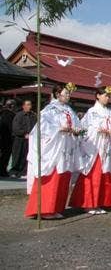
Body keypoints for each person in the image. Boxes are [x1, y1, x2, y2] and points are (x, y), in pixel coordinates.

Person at [24, 83, 82, 219]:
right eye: (65, 93)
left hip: (66, 146)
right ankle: (45, 209)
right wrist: (59, 129)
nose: (68, 96)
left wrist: (76, 130)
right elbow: (43, 128)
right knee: (52, 177)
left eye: (68, 94)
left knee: (63, 178)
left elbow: (77, 125)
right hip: (54, 147)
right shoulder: (49, 110)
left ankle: (56, 207)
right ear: (57, 94)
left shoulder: (69, 110)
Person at [70, 86, 111, 214]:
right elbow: (85, 129)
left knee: (106, 174)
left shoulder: (110, 112)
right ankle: (89, 203)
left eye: (108, 96)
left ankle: (100, 202)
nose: (107, 98)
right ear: (98, 95)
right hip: (95, 146)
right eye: (105, 95)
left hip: (107, 145)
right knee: (94, 174)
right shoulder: (92, 111)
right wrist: (98, 131)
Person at [9, 100, 36, 178]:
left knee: (26, 156)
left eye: (30, 105)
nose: (29, 106)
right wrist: (24, 133)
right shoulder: (19, 115)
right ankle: (14, 171)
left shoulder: (33, 116)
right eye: (27, 105)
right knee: (17, 155)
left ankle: (23, 172)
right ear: (23, 106)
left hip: (30, 139)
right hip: (19, 139)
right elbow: (15, 128)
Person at [0, 100, 17, 177]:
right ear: (12, 106)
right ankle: (2, 170)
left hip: (3, 138)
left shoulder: (2, 113)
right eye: (15, 105)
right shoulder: (11, 115)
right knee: (5, 155)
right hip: (7, 138)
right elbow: (11, 127)